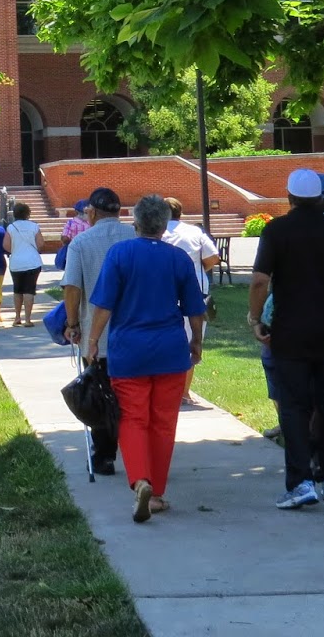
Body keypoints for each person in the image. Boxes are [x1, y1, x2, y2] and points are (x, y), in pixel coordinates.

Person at [246, 168, 324, 510]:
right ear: (320, 198)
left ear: (289, 197)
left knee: (294, 407)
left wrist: (256, 319)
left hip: (290, 333)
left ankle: (300, 482)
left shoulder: (276, 230)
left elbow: (259, 281)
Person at [85, 194, 206, 523]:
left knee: (133, 418)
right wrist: (196, 341)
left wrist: (92, 341)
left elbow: (104, 305)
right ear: (165, 225)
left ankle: (140, 481)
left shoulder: (120, 254)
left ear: (135, 222)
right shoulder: (179, 259)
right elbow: (195, 308)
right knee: (164, 422)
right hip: (170, 350)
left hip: (129, 352)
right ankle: (158, 493)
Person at [61, 187, 135, 474]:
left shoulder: (81, 243)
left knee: (100, 395)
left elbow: (72, 287)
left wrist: (72, 324)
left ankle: (104, 455)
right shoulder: (135, 237)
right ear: (120, 212)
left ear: (91, 212)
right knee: (131, 396)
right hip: (132, 333)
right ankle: (135, 452)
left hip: (97, 337)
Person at [164, 197, 221, 404]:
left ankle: (168, 390)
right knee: (192, 341)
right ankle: (184, 392)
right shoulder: (194, 232)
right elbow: (214, 257)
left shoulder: (158, 232)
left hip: (166, 293)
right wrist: (198, 270)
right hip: (196, 291)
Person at [3, 201, 44, 327]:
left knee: (17, 290)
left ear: (14, 214)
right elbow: (41, 244)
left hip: (16, 263)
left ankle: (17, 317)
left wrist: (15, 251)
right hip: (32, 262)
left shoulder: (11, 228)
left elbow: (6, 245)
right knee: (29, 291)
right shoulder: (34, 226)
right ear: (28, 214)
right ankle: (28, 319)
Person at [56, 199, 89, 271]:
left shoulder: (71, 223)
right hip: (89, 254)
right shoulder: (92, 223)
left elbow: (64, 238)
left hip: (74, 255)